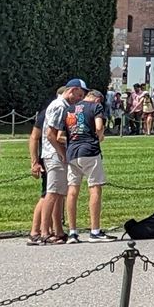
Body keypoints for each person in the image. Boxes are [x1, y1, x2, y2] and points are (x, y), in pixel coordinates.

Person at [32, 81, 80, 244]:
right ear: (72, 91)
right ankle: (45, 232)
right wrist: (62, 153)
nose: (78, 100)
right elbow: (51, 134)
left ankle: (58, 230)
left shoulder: (62, 104)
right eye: (79, 95)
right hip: (54, 154)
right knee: (51, 193)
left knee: (59, 194)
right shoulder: (60, 106)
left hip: (54, 154)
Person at [66, 84, 108, 238]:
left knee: (72, 190)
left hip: (72, 150)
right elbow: (98, 126)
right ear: (97, 99)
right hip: (89, 149)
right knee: (95, 188)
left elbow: (63, 133)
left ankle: (72, 231)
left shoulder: (70, 108)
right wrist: (100, 136)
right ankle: (95, 230)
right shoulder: (96, 106)